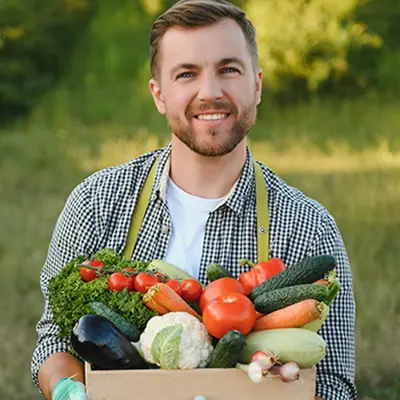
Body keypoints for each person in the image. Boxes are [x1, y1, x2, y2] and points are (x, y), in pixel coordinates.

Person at [31, 0, 356, 399]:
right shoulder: (97, 203)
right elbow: (54, 342)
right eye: (187, 74)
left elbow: (337, 383)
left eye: (228, 70)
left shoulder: (308, 227)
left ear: (256, 85)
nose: (210, 92)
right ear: (159, 95)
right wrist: (68, 390)